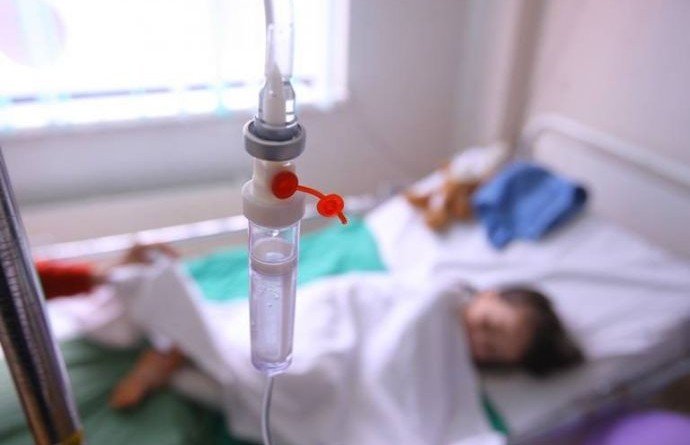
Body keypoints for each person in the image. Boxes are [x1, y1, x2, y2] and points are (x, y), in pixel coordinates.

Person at [84, 245, 583, 410]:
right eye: (490, 325)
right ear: (488, 296)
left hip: (361, 363)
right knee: (299, 369)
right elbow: (382, 305)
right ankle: (182, 333)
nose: (480, 340)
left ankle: (183, 356)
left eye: (492, 350)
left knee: (306, 396)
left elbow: (415, 391)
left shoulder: (454, 370)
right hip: (337, 314)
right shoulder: (441, 293)